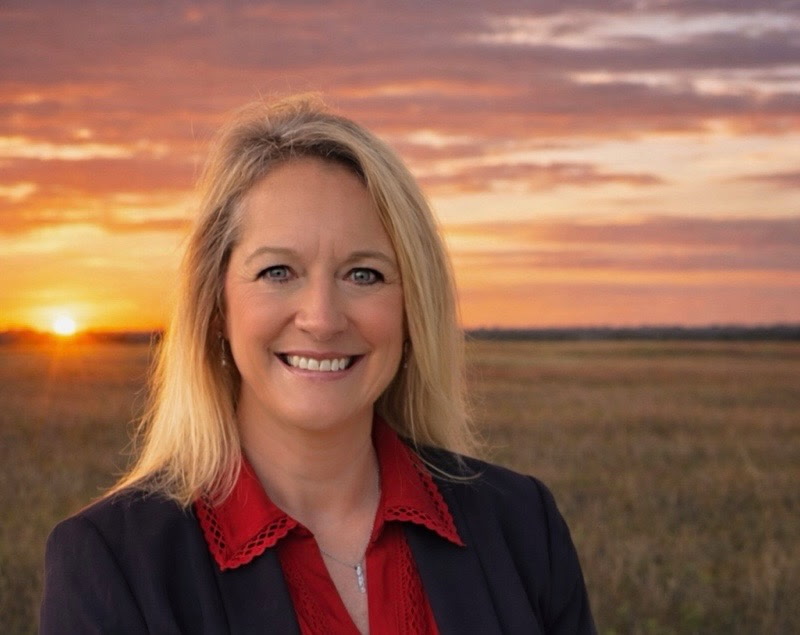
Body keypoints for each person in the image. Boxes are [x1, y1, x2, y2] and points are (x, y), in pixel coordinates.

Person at [40, 95, 596, 634]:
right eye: (278, 271)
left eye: (364, 275)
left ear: (411, 310)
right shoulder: (113, 562)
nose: (323, 319)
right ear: (215, 306)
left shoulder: (523, 525)